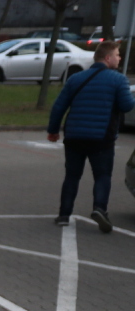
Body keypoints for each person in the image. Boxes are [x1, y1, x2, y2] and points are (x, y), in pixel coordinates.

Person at [47, 40, 134, 232]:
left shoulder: (76, 79)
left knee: (72, 176)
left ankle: (63, 214)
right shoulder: (118, 80)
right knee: (102, 176)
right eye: (117, 55)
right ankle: (100, 209)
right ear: (107, 57)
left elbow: (59, 107)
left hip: (74, 136)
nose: (119, 58)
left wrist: (53, 130)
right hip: (102, 138)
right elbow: (127, 106)